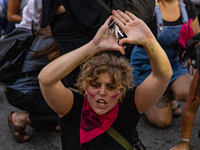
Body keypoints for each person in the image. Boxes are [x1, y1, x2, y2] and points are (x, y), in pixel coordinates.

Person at [38, 10, 172, 150]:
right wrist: (94, 46)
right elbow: (45, 79)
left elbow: (162, 75)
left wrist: (149, 40)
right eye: (95, 85)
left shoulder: (130, 105)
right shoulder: (71, 107)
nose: (102, 92)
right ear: (85, 87)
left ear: (121, 92)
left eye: (111, 87)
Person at [129, 0, 200, 128]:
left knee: (191, 91)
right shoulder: (147, 6)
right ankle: (147, 96)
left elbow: (196, 37)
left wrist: (192, 54)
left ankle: (167, 91)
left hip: (175, 63)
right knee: (163, 121)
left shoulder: (187, 5)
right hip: (148, 66)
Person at [3, 26, 60, 143]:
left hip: (12, 89)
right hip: (22, 94)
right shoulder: (54, 44)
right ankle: (20, 119)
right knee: (68, 109)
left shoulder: (46, 32)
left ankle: (43, 123)